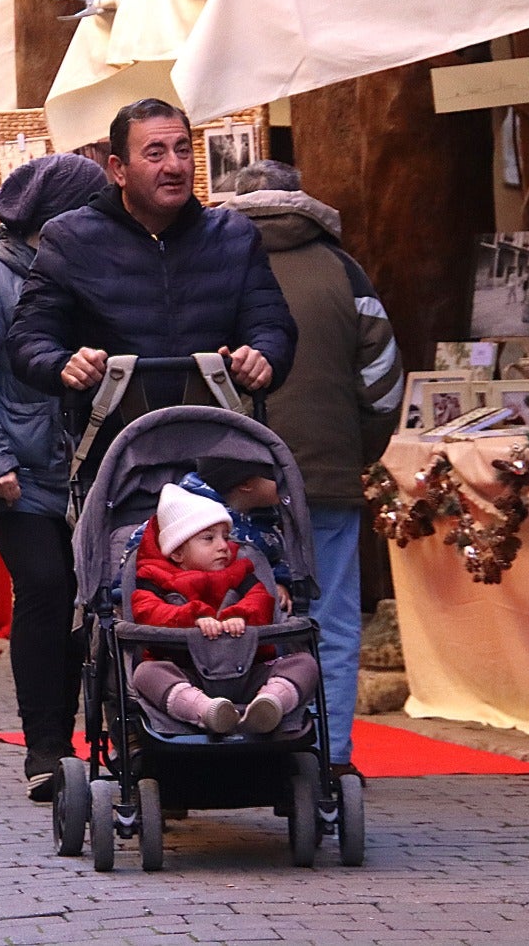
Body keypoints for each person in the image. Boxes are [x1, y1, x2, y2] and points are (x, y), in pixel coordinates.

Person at [226, 160, 403, 776]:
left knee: (230, 608)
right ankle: (330, 758)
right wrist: (356, 450)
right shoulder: (343, 269)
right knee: (331, 619)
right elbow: (383, 381)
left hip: (233, 477)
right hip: (326, 474)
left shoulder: (214, 264)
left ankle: (231, 747)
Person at [0, 153, 108, 800]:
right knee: (46, 588)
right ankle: (45, 746)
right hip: (19, 471)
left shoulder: (85, 265)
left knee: (90, 595)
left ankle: (103, 733)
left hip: (84, 465)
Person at [7, 98, 296, 466]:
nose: (174, 166)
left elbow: (272, 325)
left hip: (220, 456)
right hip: (115, 460)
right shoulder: (71, 239)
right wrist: (63, 364)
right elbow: (27, 338)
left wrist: (262, 356)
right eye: (156, 153)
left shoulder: (234, 235)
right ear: (119, 169)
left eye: (183, 150)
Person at [129, 484, 319, 735]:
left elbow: (261, 600)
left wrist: (240, 614)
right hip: (187, 673)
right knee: (146, 674)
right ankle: (204, 710)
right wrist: (193, 618)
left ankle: (270, 703)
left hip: (249, 671)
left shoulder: (240, 572)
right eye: (209, 538)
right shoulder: (155, 579)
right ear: (177, 552)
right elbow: (147, 612)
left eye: (226, 537)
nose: (223, 546)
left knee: (305, 664)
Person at [180, 456, 291, 609]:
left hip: (251, 600)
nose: (287, 482)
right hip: (195, 594)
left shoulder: (267, 518)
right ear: (246, 484)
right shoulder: (192, 513)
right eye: (275, 477)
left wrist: (278, 582)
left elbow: (276, 558)